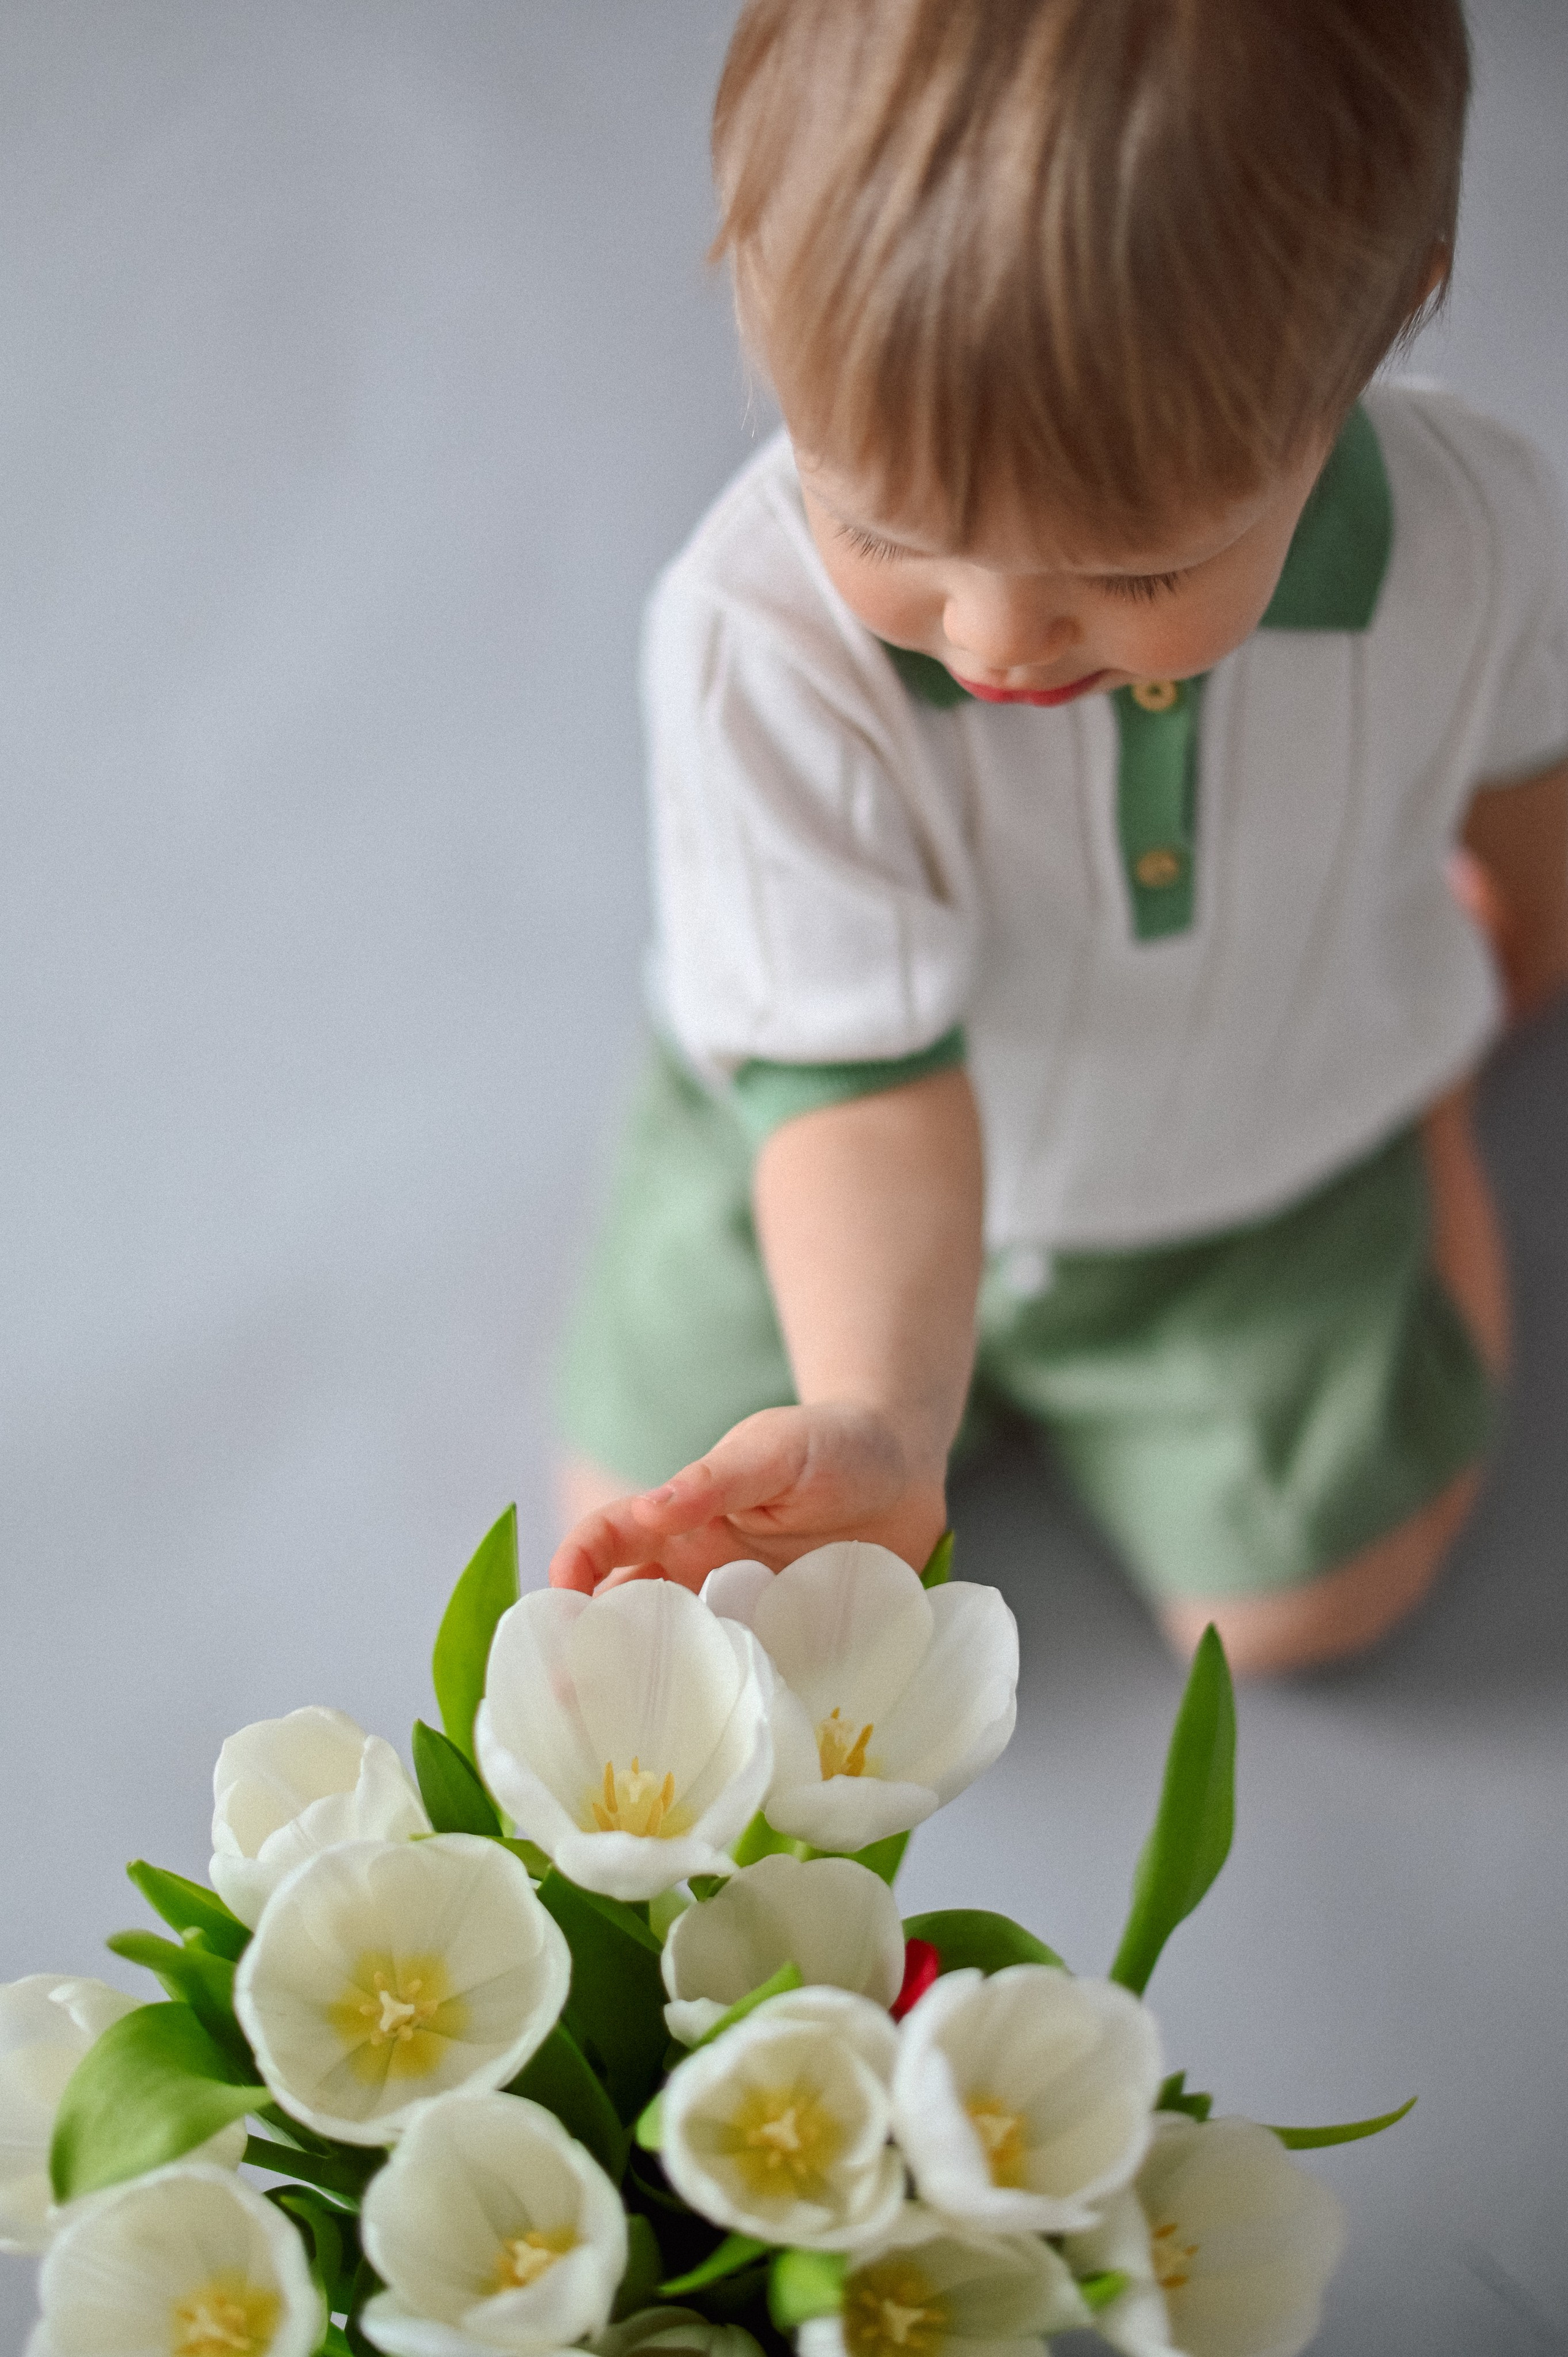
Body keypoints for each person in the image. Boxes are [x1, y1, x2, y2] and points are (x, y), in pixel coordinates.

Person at [548, 0, 1568, 1675]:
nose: (1000, 636)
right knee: (660, 1592)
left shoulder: (1478, 535)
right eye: (884, 525)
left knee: (1302, 1614)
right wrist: (880, 1414)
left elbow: (1525, 764)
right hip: (817, 1178)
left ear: (1389, 316)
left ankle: (1422, 1128)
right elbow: (853, 1084)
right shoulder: (762, 644)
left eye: (1137, 568)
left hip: (1259, 1145)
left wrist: (1522, 941)